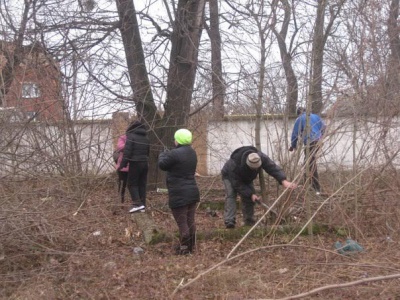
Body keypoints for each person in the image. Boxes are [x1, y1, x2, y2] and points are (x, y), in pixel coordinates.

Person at [221, 146, 297, 229]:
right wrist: (250, 194)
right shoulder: (235, 165)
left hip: (247, 177)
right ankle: (230, 221)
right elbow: (237, 184)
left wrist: (283, 181)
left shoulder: (260, 157)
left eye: (257, 167)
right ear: (248, 165)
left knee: (249, 198)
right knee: (231, 195)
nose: (256, 169)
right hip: (229, 176)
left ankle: (248, 221)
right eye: (254, 168)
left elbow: (272, 167)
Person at [158, 129, 200, 255]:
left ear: (179, 140)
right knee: (190, 221)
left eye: (175, 138)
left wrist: (162, 154)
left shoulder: (174, 154)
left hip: (179, 193)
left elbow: (162, 165)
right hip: (192, 192)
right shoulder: (192, 153)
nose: (174, 141)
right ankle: (191, 247)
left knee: (182, 223)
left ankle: (184, 250)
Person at [289, 107, 325, 195]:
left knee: (310, 164)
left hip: (310, 142)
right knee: (308, 162)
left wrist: (293, 146)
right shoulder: (316, 116)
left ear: (298, 113)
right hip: (318, 141)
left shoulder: (300, 119)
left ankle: (316, 188)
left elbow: (295, 133)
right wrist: (320, 136)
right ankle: (307, 184)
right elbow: (324, 127)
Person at [118, 120, 150, 213]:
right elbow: (148, 152)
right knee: (142, 184)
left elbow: (127, 153)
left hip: (135, 163)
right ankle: (142, 205)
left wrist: (122, 165)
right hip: (145, 163)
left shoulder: (131, 137)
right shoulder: (146, 138)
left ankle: (137, 204)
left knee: (132, 184)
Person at [114, 134, 129, 202]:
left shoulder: (138, 138)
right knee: (121, 184)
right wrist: (129, 144)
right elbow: (119, 147)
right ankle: (120, 200)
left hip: (133, 167)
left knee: (131, 185)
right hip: (122, 167)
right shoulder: (123, 137)